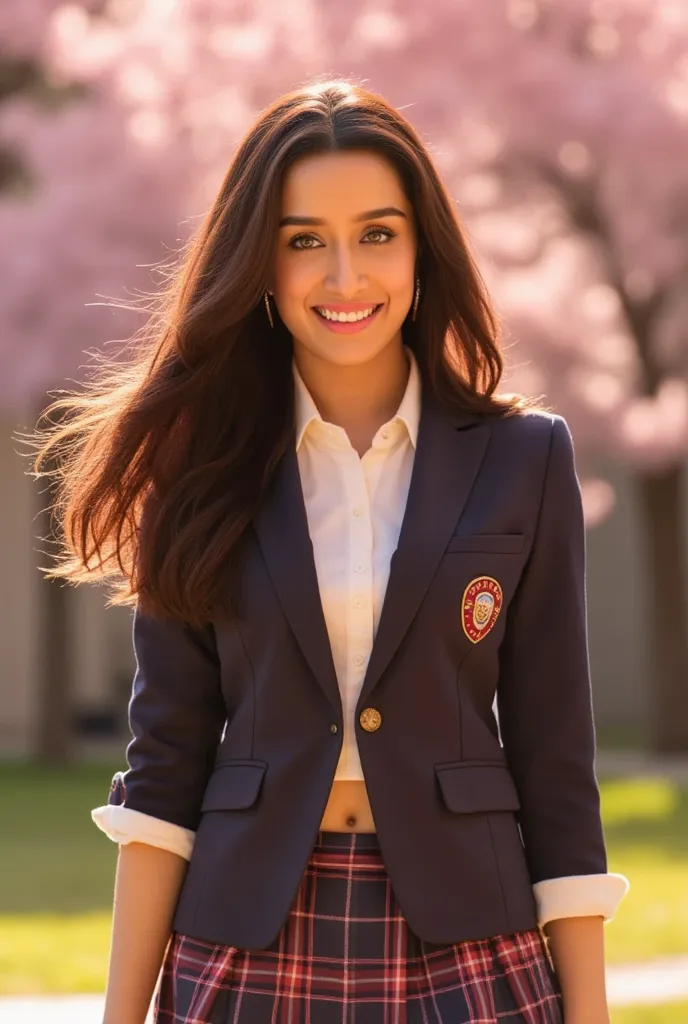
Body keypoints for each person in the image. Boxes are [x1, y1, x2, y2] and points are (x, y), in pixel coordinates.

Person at [35, 78, 629, 1024]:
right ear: (260, 265)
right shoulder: (196, 468)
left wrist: (589, 1011)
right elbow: (167, 761)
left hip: (471, 945)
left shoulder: (527, 460)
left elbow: (557, 761)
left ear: (423, 249)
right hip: (247, 943)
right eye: (304, 240)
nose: (345, 276)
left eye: (378, 234)